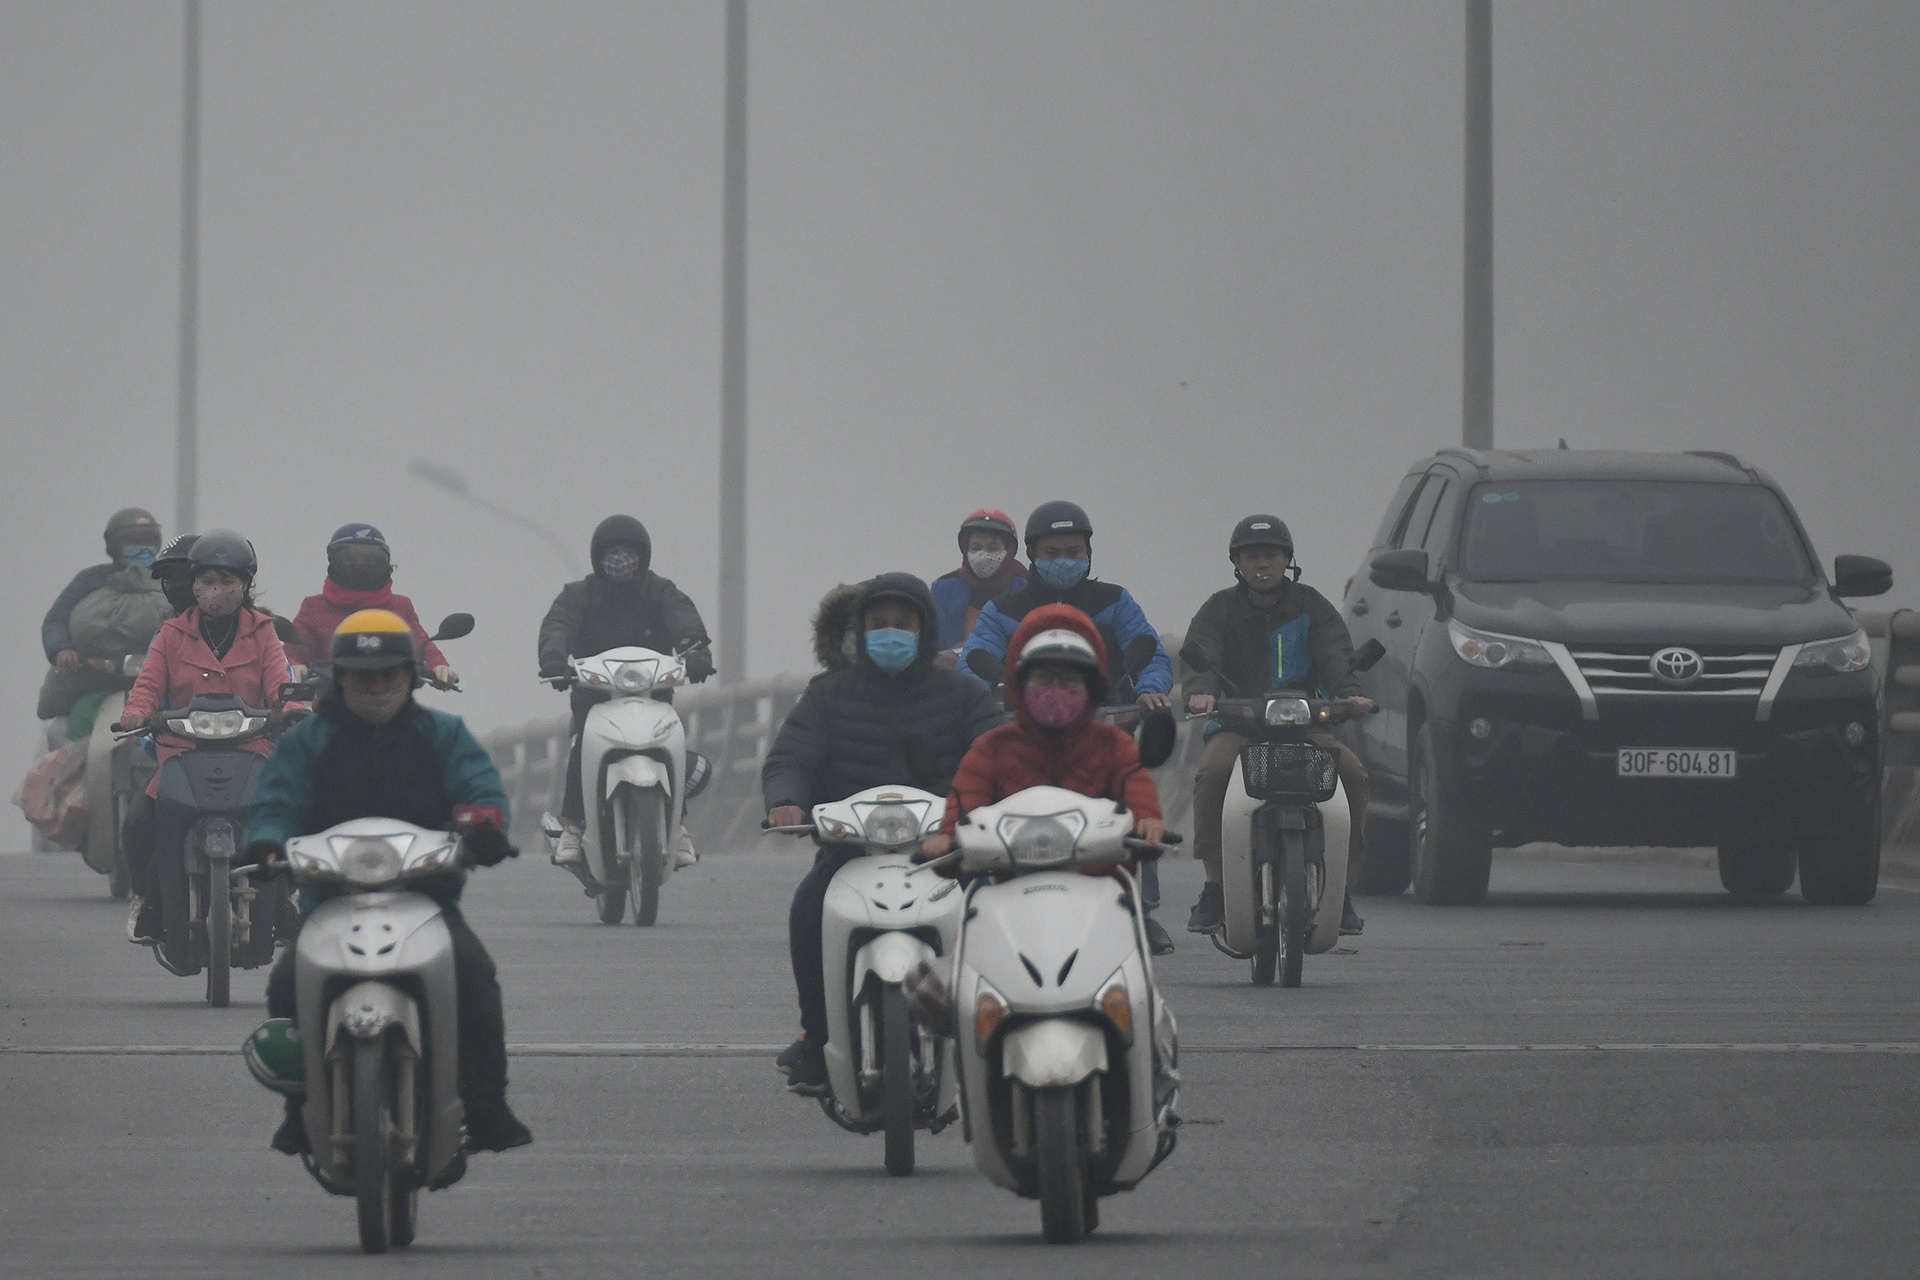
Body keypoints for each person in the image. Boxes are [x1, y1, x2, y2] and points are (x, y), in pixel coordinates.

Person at [247, 609, 531, 1155]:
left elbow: (481, 789)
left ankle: (488, 1107)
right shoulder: (307, 742)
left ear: (410, 676)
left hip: (425, 899)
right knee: (285, 985)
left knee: (474, 977)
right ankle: (299, 1109)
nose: (376, 685)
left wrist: (485, 830)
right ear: (340, 679)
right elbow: (276, 803)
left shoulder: (444, 735)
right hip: (329, 901)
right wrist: (266, 842)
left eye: (388, 674)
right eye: (362, 675)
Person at [761, 572, 1003, 1095]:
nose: (890, 634)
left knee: (996, 911)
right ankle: (818, 1038)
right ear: (858, 632)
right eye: (878, 624)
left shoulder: (962, 694)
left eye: (903, 624)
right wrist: (785, 799)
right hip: (849, 853)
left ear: (926, 630)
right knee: (807, 911)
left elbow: (997, 752)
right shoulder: (828, 694)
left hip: (947, 853)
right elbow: (792, 755)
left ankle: (998, 1029)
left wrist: (988, 805)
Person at [957, 500, 1177, 953]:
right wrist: (988, 688)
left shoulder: (1114, 600)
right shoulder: (1005, 607)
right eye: (1053, 552)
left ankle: (1142, 908)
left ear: (1090, 552)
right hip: (1026, 729)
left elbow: (1148, 648)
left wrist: (1148, 690)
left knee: (1131, 804)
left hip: (1104, 725)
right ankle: (984, 896)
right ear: (1032, 554)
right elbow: (972, 658)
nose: (1064, 560)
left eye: (1074, 552)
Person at [1180, 515, 1373, 936]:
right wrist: (1201, 692)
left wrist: (1351, 691)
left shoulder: (1311, 605)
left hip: (1305, 722)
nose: (1262, 563)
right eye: (1252, 556)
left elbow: (1336, 653)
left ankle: (1340, 888)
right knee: (1212, 773)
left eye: (1271, 554)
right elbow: (1201, 654)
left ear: (1287, 559)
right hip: (1238, 723)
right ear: (1237, 562)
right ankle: (1214, 887)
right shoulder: (1218, 609)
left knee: (1352, 774)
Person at [118, 530, 294, 964]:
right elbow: (148, 684)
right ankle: (149, 900)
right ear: (193, 583)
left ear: (245, 585)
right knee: (140, 823)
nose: (216, 590)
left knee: (289, 817)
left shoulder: (265, 633)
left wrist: (292, 709)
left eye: (227, 580)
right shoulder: (171, 634)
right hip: (181, 751)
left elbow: (282, 683)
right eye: (208, 580)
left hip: (252, 749)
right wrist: (137, 712)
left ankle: (284, 900)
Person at [921, 603, 1166, 863]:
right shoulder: (992, 748)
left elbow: (1136, 792)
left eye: (1070, 678)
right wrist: (948, 838)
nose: (1056, 689)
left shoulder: (1114, 745)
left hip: (1099, 885)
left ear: (1091, 687)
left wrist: (1148, 820)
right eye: (1043, 677)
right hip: (1010, 889)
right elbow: (966, 803)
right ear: (1020, 685)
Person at [538, 515, 713, 873]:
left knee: (673, 741)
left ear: (643, 556)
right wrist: (555, 658)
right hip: (594, 696)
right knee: (582, 744)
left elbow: (685, 621)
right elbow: (558, 626)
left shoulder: (663, 592)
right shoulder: (577, 595)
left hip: (654, 693)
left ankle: (677, 825)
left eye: (628, 552)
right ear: (597, 557)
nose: (620, 560)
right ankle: (572, 825)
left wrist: (696, 651)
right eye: (612, 552)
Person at [283, 524, 455, 686]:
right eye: (350, 561)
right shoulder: (314, 607)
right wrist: (296, 666)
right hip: (331, 705)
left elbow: (421, 643)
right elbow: (295, 649)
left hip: (393, 702)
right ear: (332, 563)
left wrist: (439, 665)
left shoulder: (401, 607)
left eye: (372, 562)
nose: (361, 569)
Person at [38, 509, 166, 723]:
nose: (143, 549)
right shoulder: (91, 580)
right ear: (114, 545)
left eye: (149, 542)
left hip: (157, 674)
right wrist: (61, 649)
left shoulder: (167, 578)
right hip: (98, 675)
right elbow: (57, 619)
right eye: (133, 543)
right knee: (67, 725)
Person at [930, 508, 1027, 654]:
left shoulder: (1025, 590)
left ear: (1009, 550)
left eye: (993, 548)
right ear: (965, 550)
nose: (984, 555)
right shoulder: (942, 591)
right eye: (976, 547)